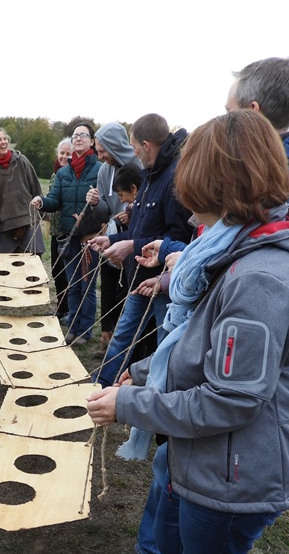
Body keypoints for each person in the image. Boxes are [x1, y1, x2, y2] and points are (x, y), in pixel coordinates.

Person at [87, 109, 289, 554]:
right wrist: (140, 373)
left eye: (197, 201)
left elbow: (229, 402)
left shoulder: (262, 278)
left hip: (240, 467)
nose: (189, 217)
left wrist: (133, 405)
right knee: (175, 541)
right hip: (212, 458)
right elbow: (198, 347)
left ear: (225, 191)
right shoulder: (234, 253)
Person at [89, 114, 193, 386]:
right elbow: (140, 231)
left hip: (162, 284)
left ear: (147, 145)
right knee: (123, 334)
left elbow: (179, 237)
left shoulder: (173, 179)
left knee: (165, 341)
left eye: (134, 147)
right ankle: (101, 385)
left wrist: (132, 245)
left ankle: (159, 394)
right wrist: (114, 241)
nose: (132, 152)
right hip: (139, 280)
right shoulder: (149, 176)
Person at [225, 57, 289, 239]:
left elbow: (275, 260)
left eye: (229, 111)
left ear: (253, 110)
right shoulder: (282, 171)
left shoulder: (286, 184)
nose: (224, 121)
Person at [31, 122, 101, 345]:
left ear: (91, 141)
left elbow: (107, 204)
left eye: (83, 135)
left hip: (90, 237)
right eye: (75, 136)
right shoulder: (63, 173)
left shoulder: (100, 169)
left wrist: (97, 203)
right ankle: (72, 327)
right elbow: (55, 201)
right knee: (72, 284)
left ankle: (85, 331)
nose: (78, 138)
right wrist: (42, 201)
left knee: (87, 285)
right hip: (67, 236)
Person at [86, 123, 139, 355]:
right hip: (111, 234)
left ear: (114, 145)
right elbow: (104, 210)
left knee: (126, 288)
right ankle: (106, 338)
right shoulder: (103, 171)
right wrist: (97, 203)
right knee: (107, 284)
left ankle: (123, 343)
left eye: (102, 150)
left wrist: (131, 214)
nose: (100, 156)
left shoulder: (137, 166)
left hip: (132, 238)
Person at [0, 128, 45, 255]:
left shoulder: (22, 161)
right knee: (3, 269)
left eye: (5, 138)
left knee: (32, 267)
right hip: (4, 226)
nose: (3, 142)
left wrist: (44, 212)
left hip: (29, 221)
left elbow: (36, 189)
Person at [48, 138, 73, 321]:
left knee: (68, 273)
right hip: (54, 231)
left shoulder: (72, 175)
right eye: (62, 153)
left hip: (68, 232)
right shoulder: (54, 175)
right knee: (56, 271)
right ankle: (61, 305)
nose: (64, 156)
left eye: (68, 153)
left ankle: (70, 309)